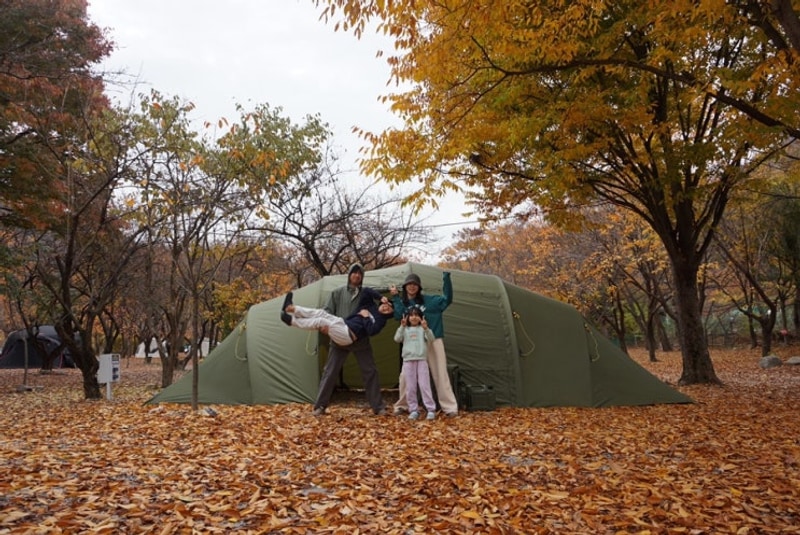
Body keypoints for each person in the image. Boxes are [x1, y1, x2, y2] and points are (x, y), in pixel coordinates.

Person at [310, 263, 389, 417]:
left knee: (370, 371)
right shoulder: (337, 293)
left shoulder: (365, 295)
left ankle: (378, 407)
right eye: (354, 273)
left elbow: (375, 311)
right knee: (330, 372)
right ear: (349, 275)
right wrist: (327, 328)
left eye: (360, 274)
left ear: (362, 277)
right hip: (339, 338)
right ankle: (320, 406)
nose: (357, 276)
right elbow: (326, 312)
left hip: (360, 340)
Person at [390, 271, 458, 417]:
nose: (412, 287)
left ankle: (450, 407)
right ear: (405, 287)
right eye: (409, 284)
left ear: (419, 287)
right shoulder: (404, 305)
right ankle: (403, 405)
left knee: (440, 373)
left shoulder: (431, 301)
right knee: (405, 376)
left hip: (433, 339)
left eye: (415, 284)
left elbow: (447, 299)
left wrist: (446, 279)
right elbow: (397, 314)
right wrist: (395, 297)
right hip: (413, 343)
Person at [280, 290, 394, 346]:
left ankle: (292, 321)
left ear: (388, 314)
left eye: (388, 310)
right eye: (386, 305)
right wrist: (380, 296)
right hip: (343, 323)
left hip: (347, 336)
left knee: (321, 321)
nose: (385, 308)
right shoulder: (370, 305)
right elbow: (365, 291)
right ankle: (291, 308)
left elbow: (372, 331)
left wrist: (366, 317)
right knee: (321, 313)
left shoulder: (381, 321)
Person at [393, 306, 437, 421]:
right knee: (410, 387)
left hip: (422, 360)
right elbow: (397, 339)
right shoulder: (405, 329)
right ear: (407, 317)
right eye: (411, 315)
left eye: (416, 315)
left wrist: (426, 328)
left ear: (421, 317)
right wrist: (401, 327)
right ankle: (413, 409)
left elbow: (431, 339)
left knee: (424, 385)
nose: (414, 317)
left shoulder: (423, 329)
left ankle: (431, 410)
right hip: (408, 361)